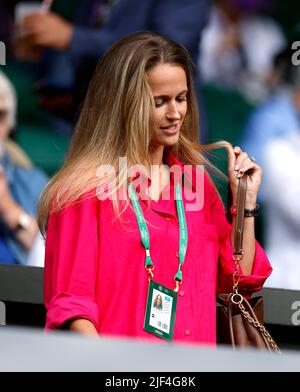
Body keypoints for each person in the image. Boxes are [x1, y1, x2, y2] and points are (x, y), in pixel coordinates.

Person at [40, 32, 272, 344]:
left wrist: (245, 201)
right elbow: (73, 308)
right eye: (159, 102)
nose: (175, 113)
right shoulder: (83, 191)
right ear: (123, 105)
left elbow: (237, 281)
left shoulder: (195, 184)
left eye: (181, 98)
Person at [15, 0, 210, 141]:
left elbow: (168, 49)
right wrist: (76, 99)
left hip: (160, 133)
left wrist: (73, 37)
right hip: (99, 128)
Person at [0, 71, 48, 265]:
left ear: (10, 123)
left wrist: (10, 210)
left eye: (0, 115)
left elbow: (55, 260)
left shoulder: (32, 184)